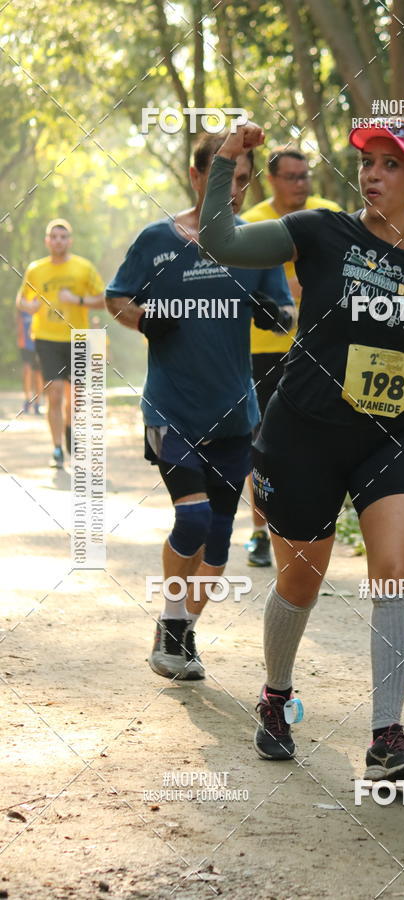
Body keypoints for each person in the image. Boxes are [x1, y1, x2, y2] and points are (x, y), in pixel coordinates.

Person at [200, 120, 404, 778]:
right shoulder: (319, 231)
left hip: (393, 436)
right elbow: (222, 240)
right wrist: (225, 161)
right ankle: (276, 696)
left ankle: (386, 739)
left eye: (391, 164)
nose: (373, 174)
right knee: (301, 581)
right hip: (303, 434)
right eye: (368, 162)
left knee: (394, 575)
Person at [105, 132, 294, 683]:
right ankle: (169, 626)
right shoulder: (156, 240)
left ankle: (184, 632)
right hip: (171, 409)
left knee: (217, 544)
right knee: (191, 517)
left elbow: (285, 311)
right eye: (223, 176)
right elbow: (116, 297)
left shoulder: (256, 243)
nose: (233, 190)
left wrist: (272, 314)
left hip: (235, 413)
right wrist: (144, 318)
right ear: (196, 177)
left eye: (243, 180)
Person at [242, 148, 342, 567]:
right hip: (264, 347)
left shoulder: (329, 214)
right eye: (292, 177)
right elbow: (242, 281)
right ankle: (259, 531)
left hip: (319, 345)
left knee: (316, 442)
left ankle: (307, 527)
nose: (301, 184)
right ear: (271, 180)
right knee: (263, 444)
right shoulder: (253, 222)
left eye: (305, 176)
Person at [16, 219, 105, 468]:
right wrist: (29, 306)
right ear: (47, 241)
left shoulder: (84, 268)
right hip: (46, 338)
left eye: (63, 237)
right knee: (54, 393)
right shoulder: (36, 269)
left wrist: (77, 300)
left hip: (78, 338)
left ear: (70, 241)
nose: (58, 241)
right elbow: (21, 300)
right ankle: (56, 448)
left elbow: (103, 299)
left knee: (75, 397)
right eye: (53, 237)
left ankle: (69, 428)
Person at [16, 308, 43, 415]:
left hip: (39, 343)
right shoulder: (23, 302)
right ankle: (27, 399)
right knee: (27, 370)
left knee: (38, 374)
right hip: (26, 344)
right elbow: (19, 319)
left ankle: (37, 403)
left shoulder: (41, 302)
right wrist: (19, 337)